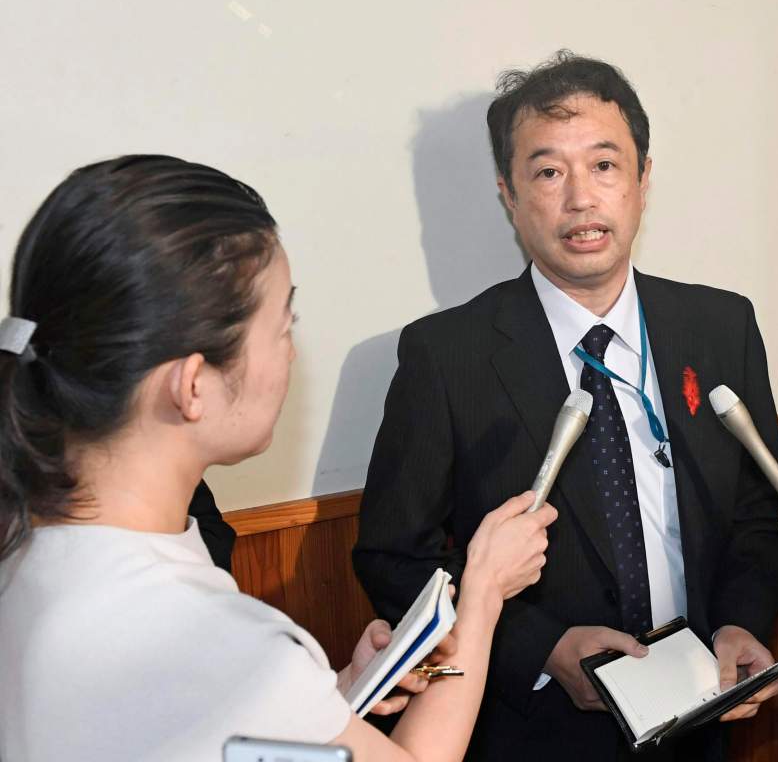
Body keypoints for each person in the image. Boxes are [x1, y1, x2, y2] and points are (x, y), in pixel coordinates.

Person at [0, 154, 557, 762]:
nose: (291, 353)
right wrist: (480, 600)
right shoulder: (212, 641)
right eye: (282, 324)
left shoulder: (28, 547)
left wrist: (332, 699)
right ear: (192, 387)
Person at [354, 52, 778, 761]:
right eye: (549, 172)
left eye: (605, 166)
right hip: (537, 730)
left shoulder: (721, 325)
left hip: (702, 708)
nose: (581, 200)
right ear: (509, 193)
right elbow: (391, 557)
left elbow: (756, 509)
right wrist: (542, 647)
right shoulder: (447, 355)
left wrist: (740, 624)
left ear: (643, 180)